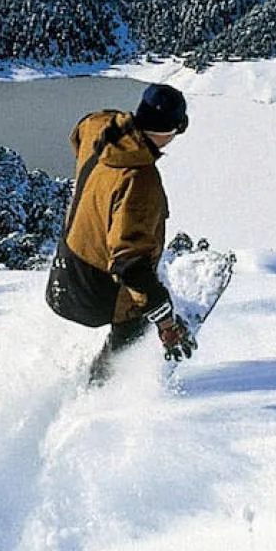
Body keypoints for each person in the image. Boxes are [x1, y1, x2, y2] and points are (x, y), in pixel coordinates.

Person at [44, 82, 196, 382]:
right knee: (136, 319)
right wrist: (166, 322)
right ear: (167, 132)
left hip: (64, 272)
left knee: (143, 290)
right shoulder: (140, 180)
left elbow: (79, 131)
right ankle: (102, 386)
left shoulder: (101, 128)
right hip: (95, 293)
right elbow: (129, 266)